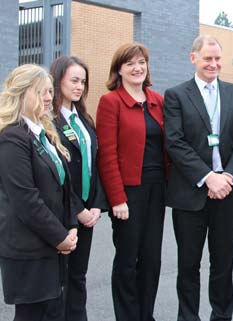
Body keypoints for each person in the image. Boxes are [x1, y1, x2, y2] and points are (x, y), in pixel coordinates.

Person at [164, 35, 233, 321]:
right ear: (193, 59)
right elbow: (175, 142)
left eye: (217, 59)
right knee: (188, 266)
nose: (213, 64)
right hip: (191, 194)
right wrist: (207, 177)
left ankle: (221, 316)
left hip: (229, 193)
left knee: (223, 264)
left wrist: (227, 177)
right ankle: (188, 317)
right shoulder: (176, 95)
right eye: (207, 59)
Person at [0, 64, 87, 321]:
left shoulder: (43, 135)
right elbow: (26, 200)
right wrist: (60, 236)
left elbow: (63, 187)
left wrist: (71, 226)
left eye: (50, 91)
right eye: (41, 92)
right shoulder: (12, 138)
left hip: (51, 246)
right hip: (29, 250)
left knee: (53, 313)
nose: (49, 97)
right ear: (21, 94)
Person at [96, 43, 168, 321]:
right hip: (128, 192)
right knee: (127, 261)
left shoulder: (157, 100)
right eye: (130, 64)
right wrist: (117, 198)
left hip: (157, 189)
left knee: (151, 260)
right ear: (119, 70)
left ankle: (145, 315)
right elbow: (107, 154)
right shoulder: (110, 102)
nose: (137, 68)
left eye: (141, 62)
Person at [50, 55, 107, 321]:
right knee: (58, 282)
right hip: (62, 214)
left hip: (87, 211)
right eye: (74, 80)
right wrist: (78, 210)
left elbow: (94, 166)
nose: (79, 87)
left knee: (78, 278)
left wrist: (96, 204)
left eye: (83, 82)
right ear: (57, 79)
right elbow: (54, 176)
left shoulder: (84, 120)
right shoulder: (48, 122)